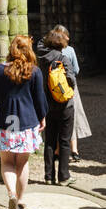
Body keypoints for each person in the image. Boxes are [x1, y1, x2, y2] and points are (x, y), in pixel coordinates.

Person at [0, 35, 48, 209]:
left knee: (6, 162)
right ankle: (21, 200)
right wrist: (42, 117)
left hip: (6, 121)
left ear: (11, 49)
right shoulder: (35, 72)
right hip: (26, 122)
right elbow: (40, 99)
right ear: (28, 50)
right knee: (22, 163)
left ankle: (11, 195)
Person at [36, 28, 76, 185]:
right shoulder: (62, 58)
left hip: (48, 104)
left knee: (50, 140)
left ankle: (48, 176)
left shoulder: (41, 59)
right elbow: (71, 79)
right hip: (65, 105)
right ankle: (64, 176)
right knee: (64, 140)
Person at [54, 25, 91, 160]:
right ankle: (74, 150)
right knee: (72, 116)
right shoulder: (70, 50)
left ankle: (58, 150)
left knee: (58, 116)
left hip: (55, 88)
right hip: (69, 87)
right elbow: (76, 70)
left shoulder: (51, 51)